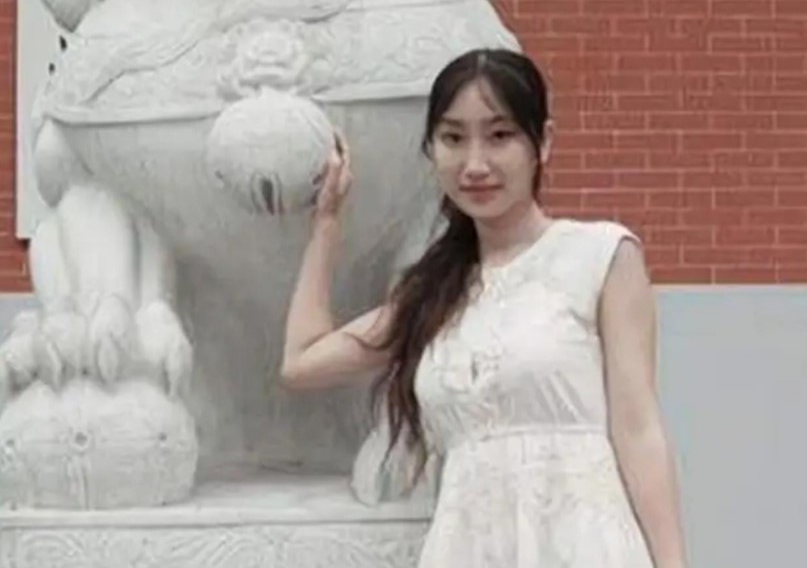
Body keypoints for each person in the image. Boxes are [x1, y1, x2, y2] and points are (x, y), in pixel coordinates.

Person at [281, 48, 688, 568]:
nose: (475, 164)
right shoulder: (432, 294)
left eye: (499, 136)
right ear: (432, 150)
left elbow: (638, 431)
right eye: (453, 138)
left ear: (543, 142)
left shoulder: (600, 255)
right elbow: (301, 361)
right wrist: (326, 224)